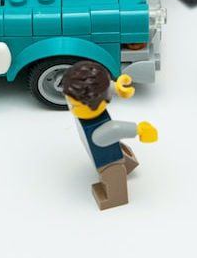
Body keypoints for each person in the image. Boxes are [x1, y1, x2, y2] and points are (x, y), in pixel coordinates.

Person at [62, 61, 157, 210]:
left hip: (108, 164)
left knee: (113, 177)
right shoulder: (84, 105)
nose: (71, 106)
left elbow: (115, 128)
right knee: (117, 150)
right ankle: (128, 165)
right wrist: (116, 87)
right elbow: (100, 91)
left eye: (74, 104)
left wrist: (140, 130)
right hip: (107, 151)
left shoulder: (100, 131)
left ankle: (113, 198)